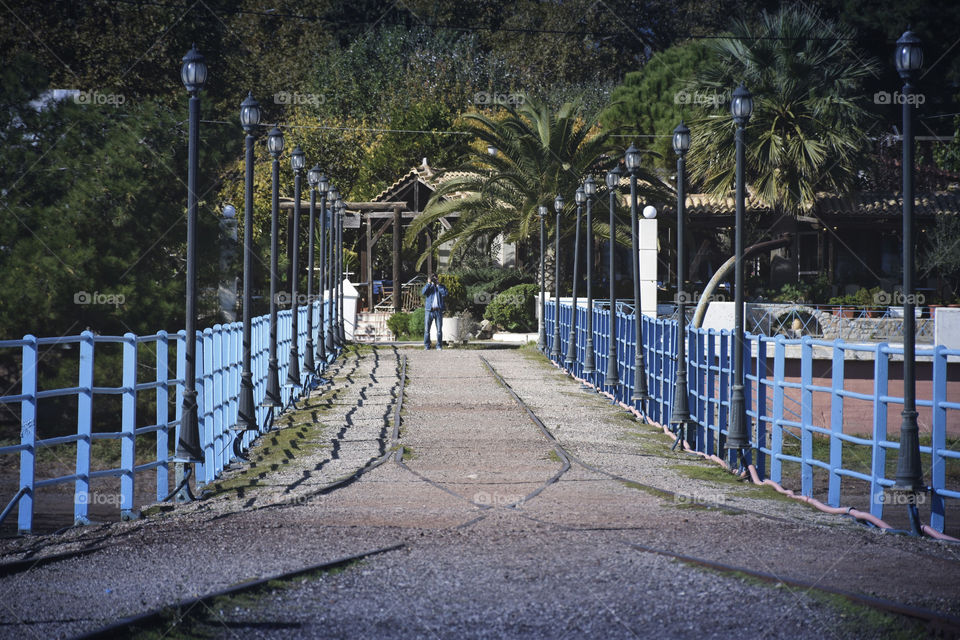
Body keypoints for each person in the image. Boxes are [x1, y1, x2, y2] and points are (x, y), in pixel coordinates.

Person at [421, 274, 448, 350]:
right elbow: (423, 292)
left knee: (439, 330)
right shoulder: (429, 287)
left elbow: (445, 294)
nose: (434, 280)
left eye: (435, 279)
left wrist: (438, 285)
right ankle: (426, 346)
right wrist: (429, 283)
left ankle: (439, 346)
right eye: (433, 279)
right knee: (427, 330)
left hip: (438, 310)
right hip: (429, 310)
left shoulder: (441, 286)